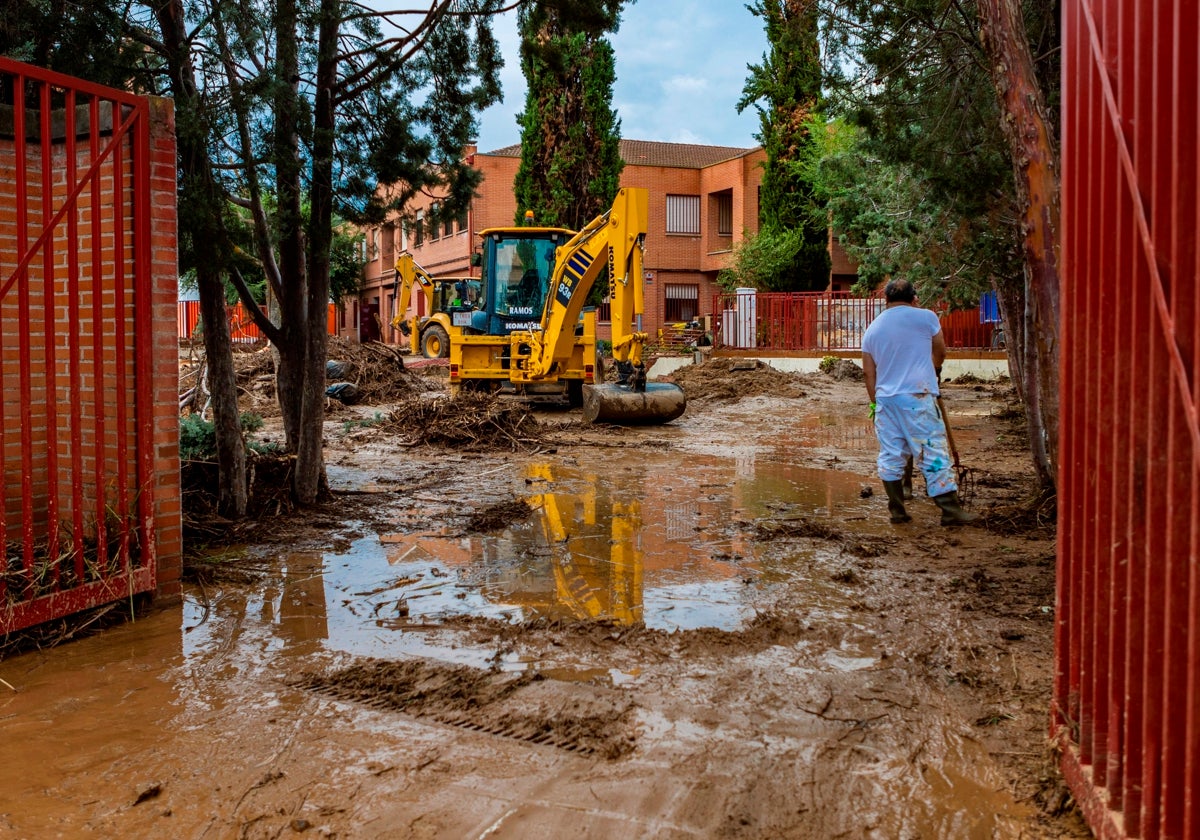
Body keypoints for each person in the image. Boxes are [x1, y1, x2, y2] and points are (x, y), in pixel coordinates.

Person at [861, 278, 978, 526]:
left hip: (886, 400)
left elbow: (868, 372)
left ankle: (897, 511)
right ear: (914, 297)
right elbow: (940, 351)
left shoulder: (873, 328)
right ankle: (950, 511)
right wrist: (932, 370)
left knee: (892, 454)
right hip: (917, 396)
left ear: (886, 300)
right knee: (932, 450)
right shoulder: (926, 317)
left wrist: (875, 402)